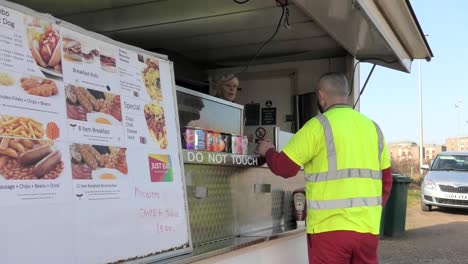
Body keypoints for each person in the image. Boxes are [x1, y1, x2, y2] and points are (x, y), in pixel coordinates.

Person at [256, 72, 393, 264]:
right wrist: (371, 212)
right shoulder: (373, 128)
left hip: (328, 231)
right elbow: (386, 180)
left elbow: (285, 168)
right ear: (346, 94)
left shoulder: (318, 126)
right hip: (367, 231)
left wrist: (267, 151)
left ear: (321, 95)